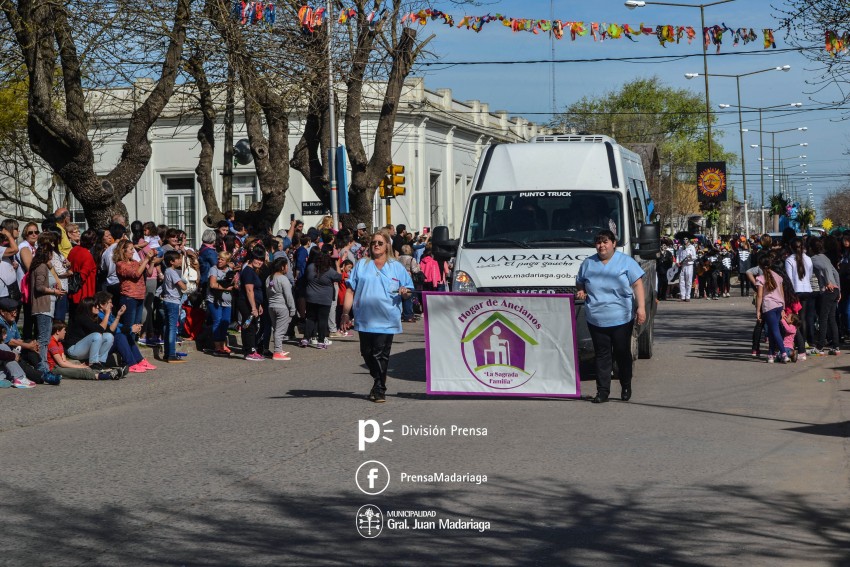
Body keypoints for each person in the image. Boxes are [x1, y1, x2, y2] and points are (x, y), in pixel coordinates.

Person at [340, 230, 414, 403]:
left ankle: (380, 388)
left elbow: (408, 290)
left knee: (380, 354)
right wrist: (345, 313)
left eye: (380, 243)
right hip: (365, 317)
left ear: (387, 245)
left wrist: (405, 292)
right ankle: (379, 379)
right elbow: (350, 290)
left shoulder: (396, 266)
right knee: (367, 354)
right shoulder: (361, 265)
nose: (376, 246)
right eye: (374, 243)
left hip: (387, 317)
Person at [575, 229, 646, 404]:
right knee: (602, 355)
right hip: (596, 318)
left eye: (605, 242)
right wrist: (581, 291)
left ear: (614, 243)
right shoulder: (588, 264)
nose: (602, 246)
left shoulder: (625, 262)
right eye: (598, 242)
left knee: (622, 353)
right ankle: (603, 391)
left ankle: (626, 384)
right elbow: (580, 282)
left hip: (621, 316)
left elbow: (637, 284)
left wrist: (641, 308)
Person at [47, 320, 118, 380]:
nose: (65, 332)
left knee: (79, 364)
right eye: (64, 330)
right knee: (80, 371)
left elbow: (64, 360)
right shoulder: (52, 342)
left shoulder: (59, 343)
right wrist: (80, 367)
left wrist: (79, 365)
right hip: (55, 369)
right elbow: (61, 363)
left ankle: (103, 371)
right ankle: (105, 376)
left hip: (60, 366)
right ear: (57, 331)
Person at [301, 250, 342, 349]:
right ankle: (320, 341)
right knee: (322, 320)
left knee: (310, 318)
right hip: (324, 299)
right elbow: (339, 277)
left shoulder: (310, 267)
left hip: (311, 297)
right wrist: (337, 265)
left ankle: (305, 339)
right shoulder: (330, 271)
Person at [754, 255, 790, 363]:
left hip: (769, 306)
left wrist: (758, 310)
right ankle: (771, 354)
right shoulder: (778, 276)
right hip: (779, 305)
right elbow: (782, 292)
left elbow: (759, 296)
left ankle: (784, 353)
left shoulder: (760, 278)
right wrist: (783, 307)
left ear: (760, 265)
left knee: (774, 330)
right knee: (772, 330)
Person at [65, 297, 116, 370]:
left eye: (97, 305)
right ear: (88, 307)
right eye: (95, 306)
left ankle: (101, 362)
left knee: (109, 336)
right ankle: (93, 363)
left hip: (84, 350)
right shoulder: (81, 317)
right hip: (74, 350)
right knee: (96, 335)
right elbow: (100, 330)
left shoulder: (94, 317)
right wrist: (107, 314)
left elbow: (108, 330)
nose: (98, 307)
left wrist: (118, 316)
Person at [810, 238, 841, 355]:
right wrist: (839, 289)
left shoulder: (813, 259)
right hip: (835, 290)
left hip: (827, 290)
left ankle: (820, 346)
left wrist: (827, 282)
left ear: (811, 248)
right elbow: (836, 273)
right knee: (832, 318)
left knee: (823, 318)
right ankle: (836, 346)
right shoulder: (825, 258)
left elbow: (823, 269)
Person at [238, 246, 266, 361]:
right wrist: (253, 307)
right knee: (249, 327)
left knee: (251, 326)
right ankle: (249, 351)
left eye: (261, 260)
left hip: (253, 303)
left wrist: (258, 305)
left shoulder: (253, 271)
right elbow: (249, 290)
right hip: (246, 303)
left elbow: (255, 291)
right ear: (251, 258)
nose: (259, 262)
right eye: (257, 259)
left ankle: (250, 349)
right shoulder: (248, 271)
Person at [159, 250, 187, 364]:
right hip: (173, 302)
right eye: (178, 259)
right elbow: (182, 286)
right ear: (171, 262)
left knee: (168, 327)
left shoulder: (167, 271)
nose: (180, 261)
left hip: (167, 301)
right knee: (172, 328)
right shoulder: (172, 272)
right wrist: (185, 285)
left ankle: (167, 353)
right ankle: (171, 354)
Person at [207, 251, 236, 357]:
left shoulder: (229, 270)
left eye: (222, 259)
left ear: (227, 261)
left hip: (227, 301)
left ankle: (223, 344)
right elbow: (213, 284)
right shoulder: (213, 269)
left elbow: (234, 283)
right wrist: (225, 288)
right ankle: (217, 346)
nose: (219, 261)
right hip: (214, 300)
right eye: (218, 258)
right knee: (218, 320)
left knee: (225, 322)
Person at [266, 256, 295, 360]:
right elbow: (288, 296)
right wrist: (292, 309)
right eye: (287, 266)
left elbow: (268, 293)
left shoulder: (269, 278)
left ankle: (279, 349)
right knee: (280, 330)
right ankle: (277, 352)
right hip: (282, 307)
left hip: (271, 306)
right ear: (283, 267)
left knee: (276, 328)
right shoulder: (283, 279)